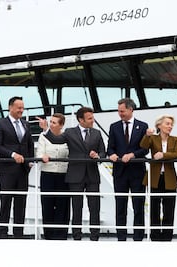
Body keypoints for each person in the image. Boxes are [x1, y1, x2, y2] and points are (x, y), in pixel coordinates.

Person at [107, 98, 148, 241]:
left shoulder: (143, 126)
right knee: (120, 206)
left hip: (137, 172)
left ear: (131, 110)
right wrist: (111, 154)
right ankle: (121, 238)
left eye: (122, 111)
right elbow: (110, 146)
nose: (120, 114)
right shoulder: (114, 127)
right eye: (118, 111)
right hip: (120, 172)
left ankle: (138, 238)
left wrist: (132, 155)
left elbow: (145, 149)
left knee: (138, 206)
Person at [0, 96, 34, 238]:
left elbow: (29, 144)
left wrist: (29, 162)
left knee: (21, 202)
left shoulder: (26, 124)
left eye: (22, 108)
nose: (21, 110)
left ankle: (18, 233)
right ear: (10, 107)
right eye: (19, 108)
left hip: (23, 170)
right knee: (5, 201)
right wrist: (12, 154)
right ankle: (2, 232)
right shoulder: (0, 124)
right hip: (7, 170)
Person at [62, 107, 106, 241]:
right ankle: (77, 237)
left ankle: (95, 237)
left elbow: (103, 152)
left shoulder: (97, 133)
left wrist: (98, 156)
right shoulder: (69, 132)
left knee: (95, 207)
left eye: (92, 118)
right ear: (81, 120)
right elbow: (56, 140)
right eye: (90, 118)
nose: (93, 121)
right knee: (76, 207)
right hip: (75, 175)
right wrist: (46, 129)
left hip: (92, 175)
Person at [140, 115, 177, 241]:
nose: (170, 126)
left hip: (169, 178)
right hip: (154, 178)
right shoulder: (153, 138)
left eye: (171, 124)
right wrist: (147, 135)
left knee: (169, 208)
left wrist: (163, 155)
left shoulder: (175, 139)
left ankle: (167, 237)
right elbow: (143, 146)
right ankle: (155, 236)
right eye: (167, 124)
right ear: (159, 125)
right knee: (154, 208)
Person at [36, 113, 70, 240]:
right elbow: (40, 152)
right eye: (51, 121)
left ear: (61, 125)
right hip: (47, 175)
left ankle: (61, 235)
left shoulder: (67, 137)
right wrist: (42, 157)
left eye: (54, 122)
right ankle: (49, 235)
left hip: (63, 175)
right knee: (48, 204)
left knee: (63, 205)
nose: (51, 124)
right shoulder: (43, 137)